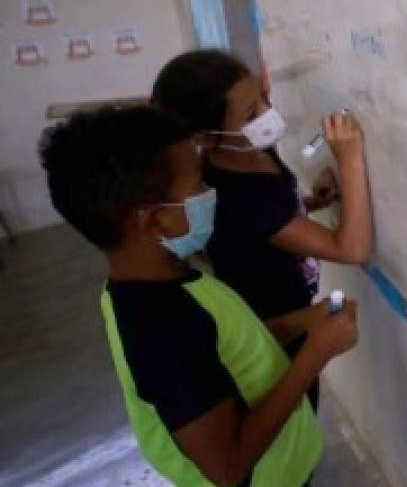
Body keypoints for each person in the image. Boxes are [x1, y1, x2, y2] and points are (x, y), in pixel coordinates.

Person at [39, 105, 359, 487]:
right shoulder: (160, 325)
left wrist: (306, 321)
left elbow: (226, 348)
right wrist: (315, 354)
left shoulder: (161, 282)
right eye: (199, 183)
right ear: (150, 217)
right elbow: (227, 465)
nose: (211, 191)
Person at [151, 50, 373, 400]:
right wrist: (349, 158)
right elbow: (352, 248)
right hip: (273, 331)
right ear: (206, 137)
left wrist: (311, 202)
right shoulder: (234, 197)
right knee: (293, 408)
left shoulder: (251, 151)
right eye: (251, 113)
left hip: (295, 309)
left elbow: (274, 216)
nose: (268, 114)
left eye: (263, 98)